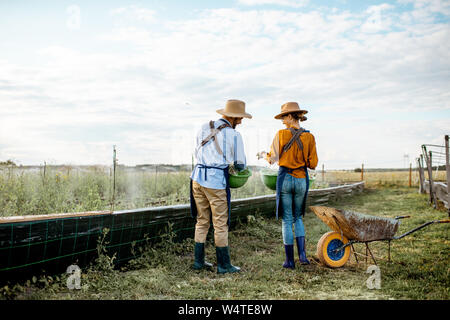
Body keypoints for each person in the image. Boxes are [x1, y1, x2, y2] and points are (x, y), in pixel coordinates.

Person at [190, 99, 252, 274]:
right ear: (232, 117)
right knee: (220, 223)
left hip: (197, 178)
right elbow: (240, 164)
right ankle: (224, 265)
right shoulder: (234, 135)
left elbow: (196, 152)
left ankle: (198, 262)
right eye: (239, 118)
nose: (240, 122)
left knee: (202, 221)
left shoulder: (203, 127)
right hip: (215, 181)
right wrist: (235, 167)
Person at [260, 102, 318, 269]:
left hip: (285, 178)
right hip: (301, 178)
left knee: (287, 219)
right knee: (298, 217)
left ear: (292, 116)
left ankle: (289, 261)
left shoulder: (280, 135)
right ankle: (303, 257)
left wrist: (264, 154)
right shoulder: (310, 137)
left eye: (284, 116)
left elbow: (272, 159)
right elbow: (313, 163)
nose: (282, 120)